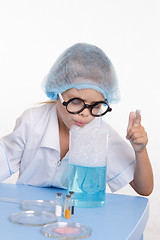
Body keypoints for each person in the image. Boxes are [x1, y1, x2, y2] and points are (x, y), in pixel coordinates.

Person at [0, 43, 153, 196]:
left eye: (96, 105)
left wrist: (140, 150)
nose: (85, 113)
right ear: (56, 93)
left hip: (79, 215)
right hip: (32, 213)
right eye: (75, 102)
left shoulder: (101, 134)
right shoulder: (32, 122)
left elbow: (144, 188)